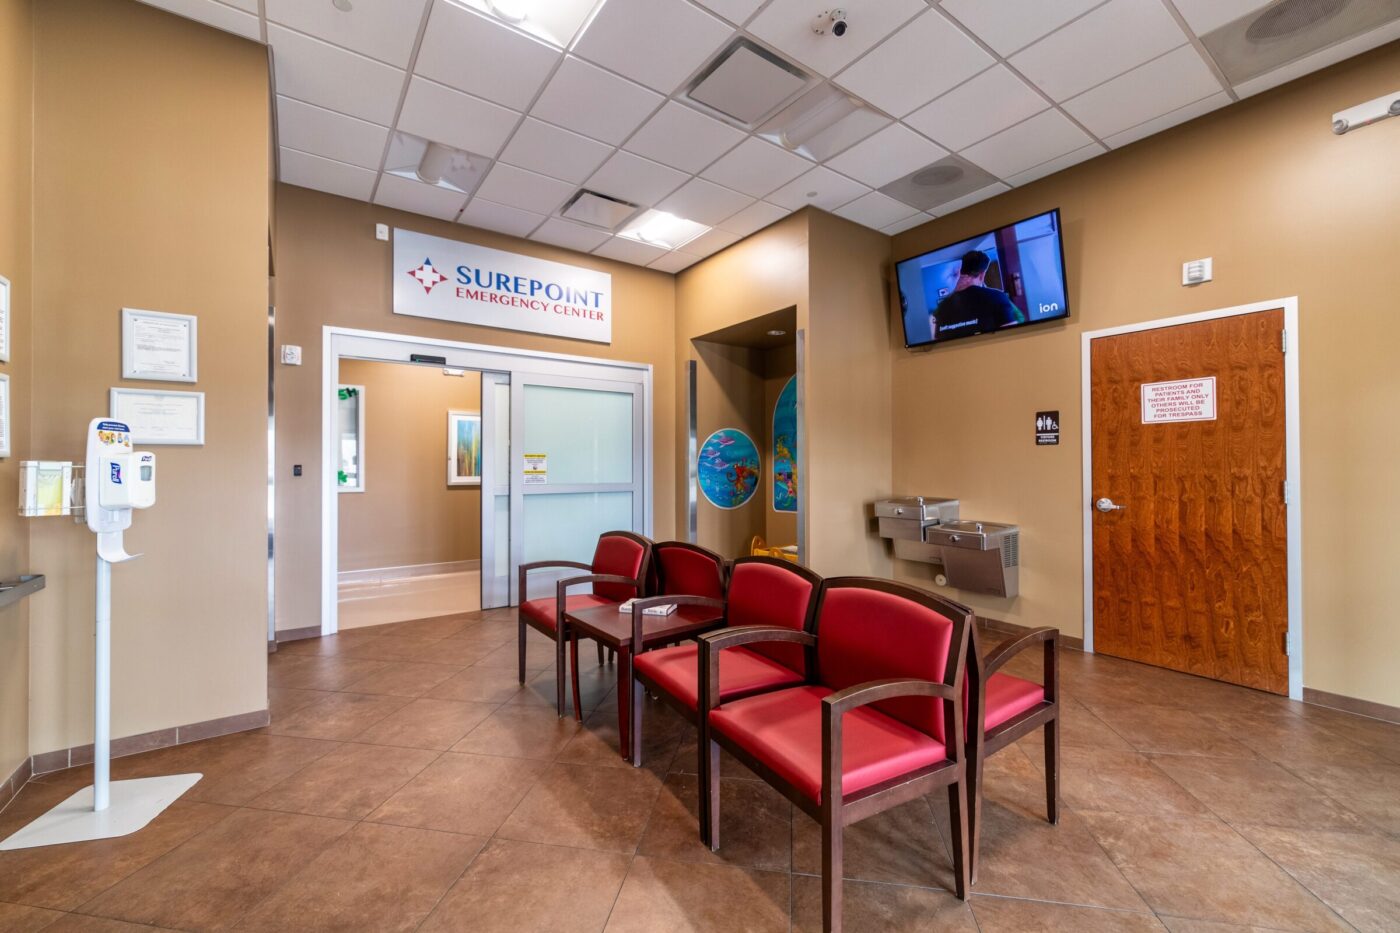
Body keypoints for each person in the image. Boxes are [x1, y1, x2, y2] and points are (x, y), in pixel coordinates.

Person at [930, 249, 1025, 339]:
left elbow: (939, 340)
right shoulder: (998, 297)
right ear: (982, 274)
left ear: (961, 271)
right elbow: (1012, 333)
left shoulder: (942, 307)